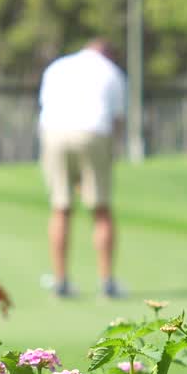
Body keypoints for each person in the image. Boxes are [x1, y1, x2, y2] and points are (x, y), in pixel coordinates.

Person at [37, 38, 126, 299]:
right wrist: (110, 155)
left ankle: (61, 281)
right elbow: (117, 120)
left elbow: (44, 106)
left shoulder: (58, 66)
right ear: (107, 54)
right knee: (101, 208)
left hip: (54, 132)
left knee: (61, 207)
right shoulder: (112, 71)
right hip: (94, 132)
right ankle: (107, 282)